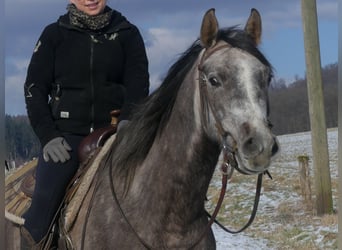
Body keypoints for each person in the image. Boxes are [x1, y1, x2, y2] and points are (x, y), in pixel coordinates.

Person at [21, 0, 149, 248]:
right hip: (66, 138)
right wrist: (48, 136)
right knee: (38, 217)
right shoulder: (54, 34)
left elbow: (138, 84)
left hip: (116, 134)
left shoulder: (127, 33)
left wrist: (128, 122)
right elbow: (34, 89)